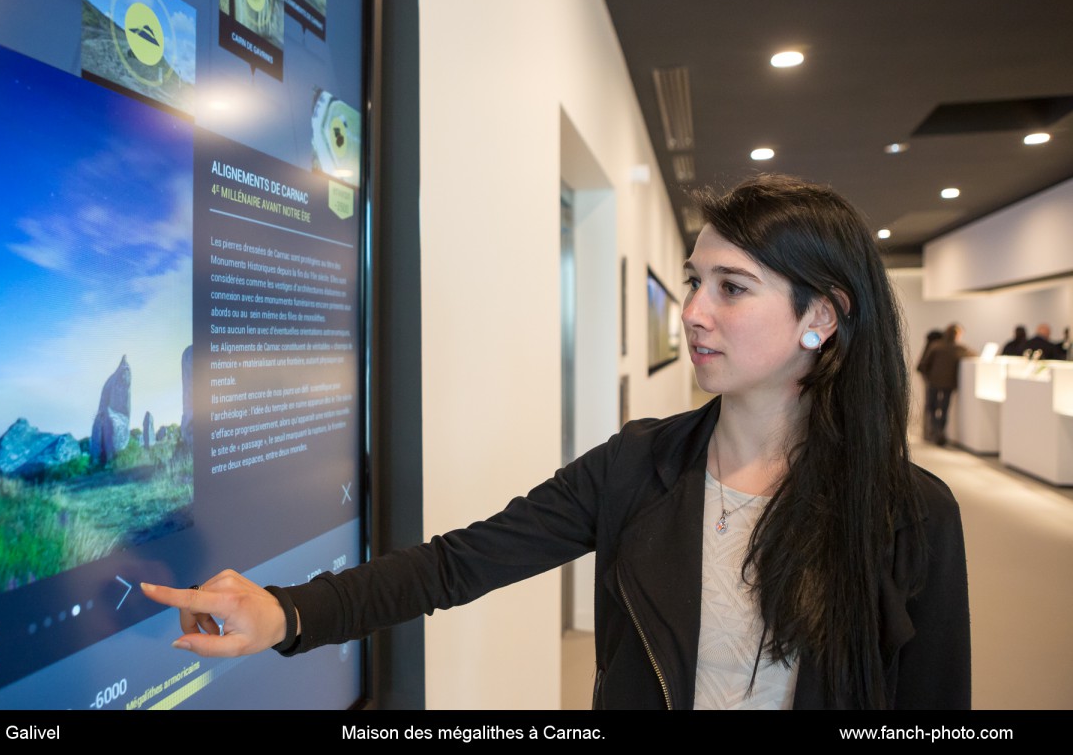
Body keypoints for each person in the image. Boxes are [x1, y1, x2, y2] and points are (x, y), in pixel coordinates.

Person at [143, 174, 970, 710]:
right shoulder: (638, 467)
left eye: (732, 287)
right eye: (693, 281)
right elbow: (453, 564)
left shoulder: (909, 514)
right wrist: (290, 611)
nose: (693, 311)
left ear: (821, 317)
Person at [916, 324, 973, 446]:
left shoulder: (936, 346)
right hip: (947, 383)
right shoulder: (958, 348)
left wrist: (927, 376)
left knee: (932, 407)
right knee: (943, 409)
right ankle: (939, 432)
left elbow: (924, 363)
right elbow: (973, 355)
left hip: (933, 381)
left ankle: (934, 431)